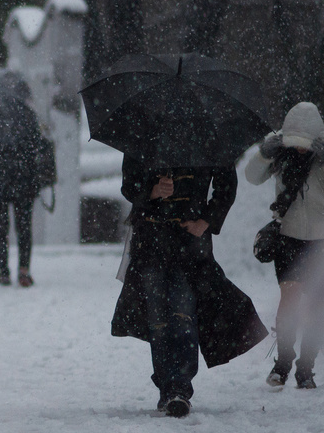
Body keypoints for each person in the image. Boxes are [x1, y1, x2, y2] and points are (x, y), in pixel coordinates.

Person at [114, 156, 267, 417]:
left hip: (190, 246)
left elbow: (226, 186)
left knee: (184, 314)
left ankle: (180, 389)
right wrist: (152, 191)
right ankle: (168, 387)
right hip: (150, 244)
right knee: (158, 320)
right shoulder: (146, 135)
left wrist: (205, 221)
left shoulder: (208, 138)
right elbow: (129, 184)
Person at [245, 102, 324, 389]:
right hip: (290, 237)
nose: (300, 149)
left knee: (317, 304)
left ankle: (307, 368)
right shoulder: (280, 147)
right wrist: (264, 154)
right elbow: (251, 177)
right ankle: (282, 362)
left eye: (305, 144)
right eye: (297, 142)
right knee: (289, 301)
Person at [0, 73, 50, 287]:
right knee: (24, 226)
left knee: (0, 227)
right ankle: (24, 271)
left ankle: (3, 272)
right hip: (24, 178)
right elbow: (38, 145)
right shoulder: (27, 113)